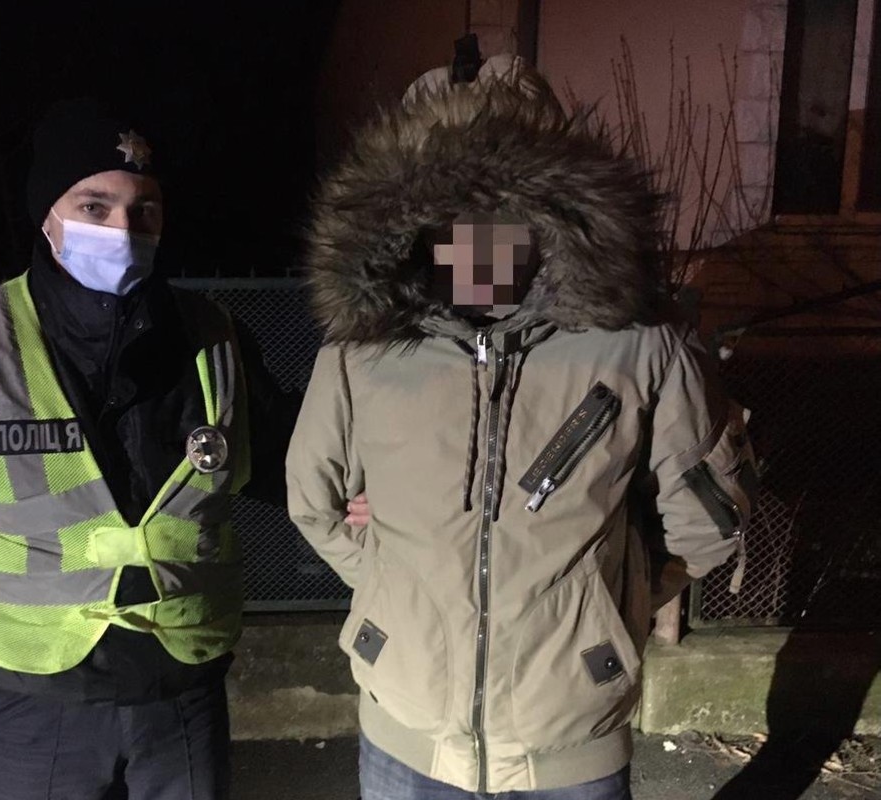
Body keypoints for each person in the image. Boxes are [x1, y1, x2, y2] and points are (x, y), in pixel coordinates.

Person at [0, 98, 363, 800]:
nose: (123, 230)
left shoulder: (213, 336)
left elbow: (290, 458)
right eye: (94, 207)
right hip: (34, 702)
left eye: (143, 210)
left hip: (182, 690)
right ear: (47, 216)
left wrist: (364, 486)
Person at [286, 58, 757, 798]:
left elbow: (708, 521)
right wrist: (393, 586)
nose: (477, 237)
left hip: (570, 744)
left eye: (501, 208)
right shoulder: (365, 350)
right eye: (453, 212)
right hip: (406, 736)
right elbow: (315, 502)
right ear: (407, 219)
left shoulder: (640, 344)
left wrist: (607, 605)